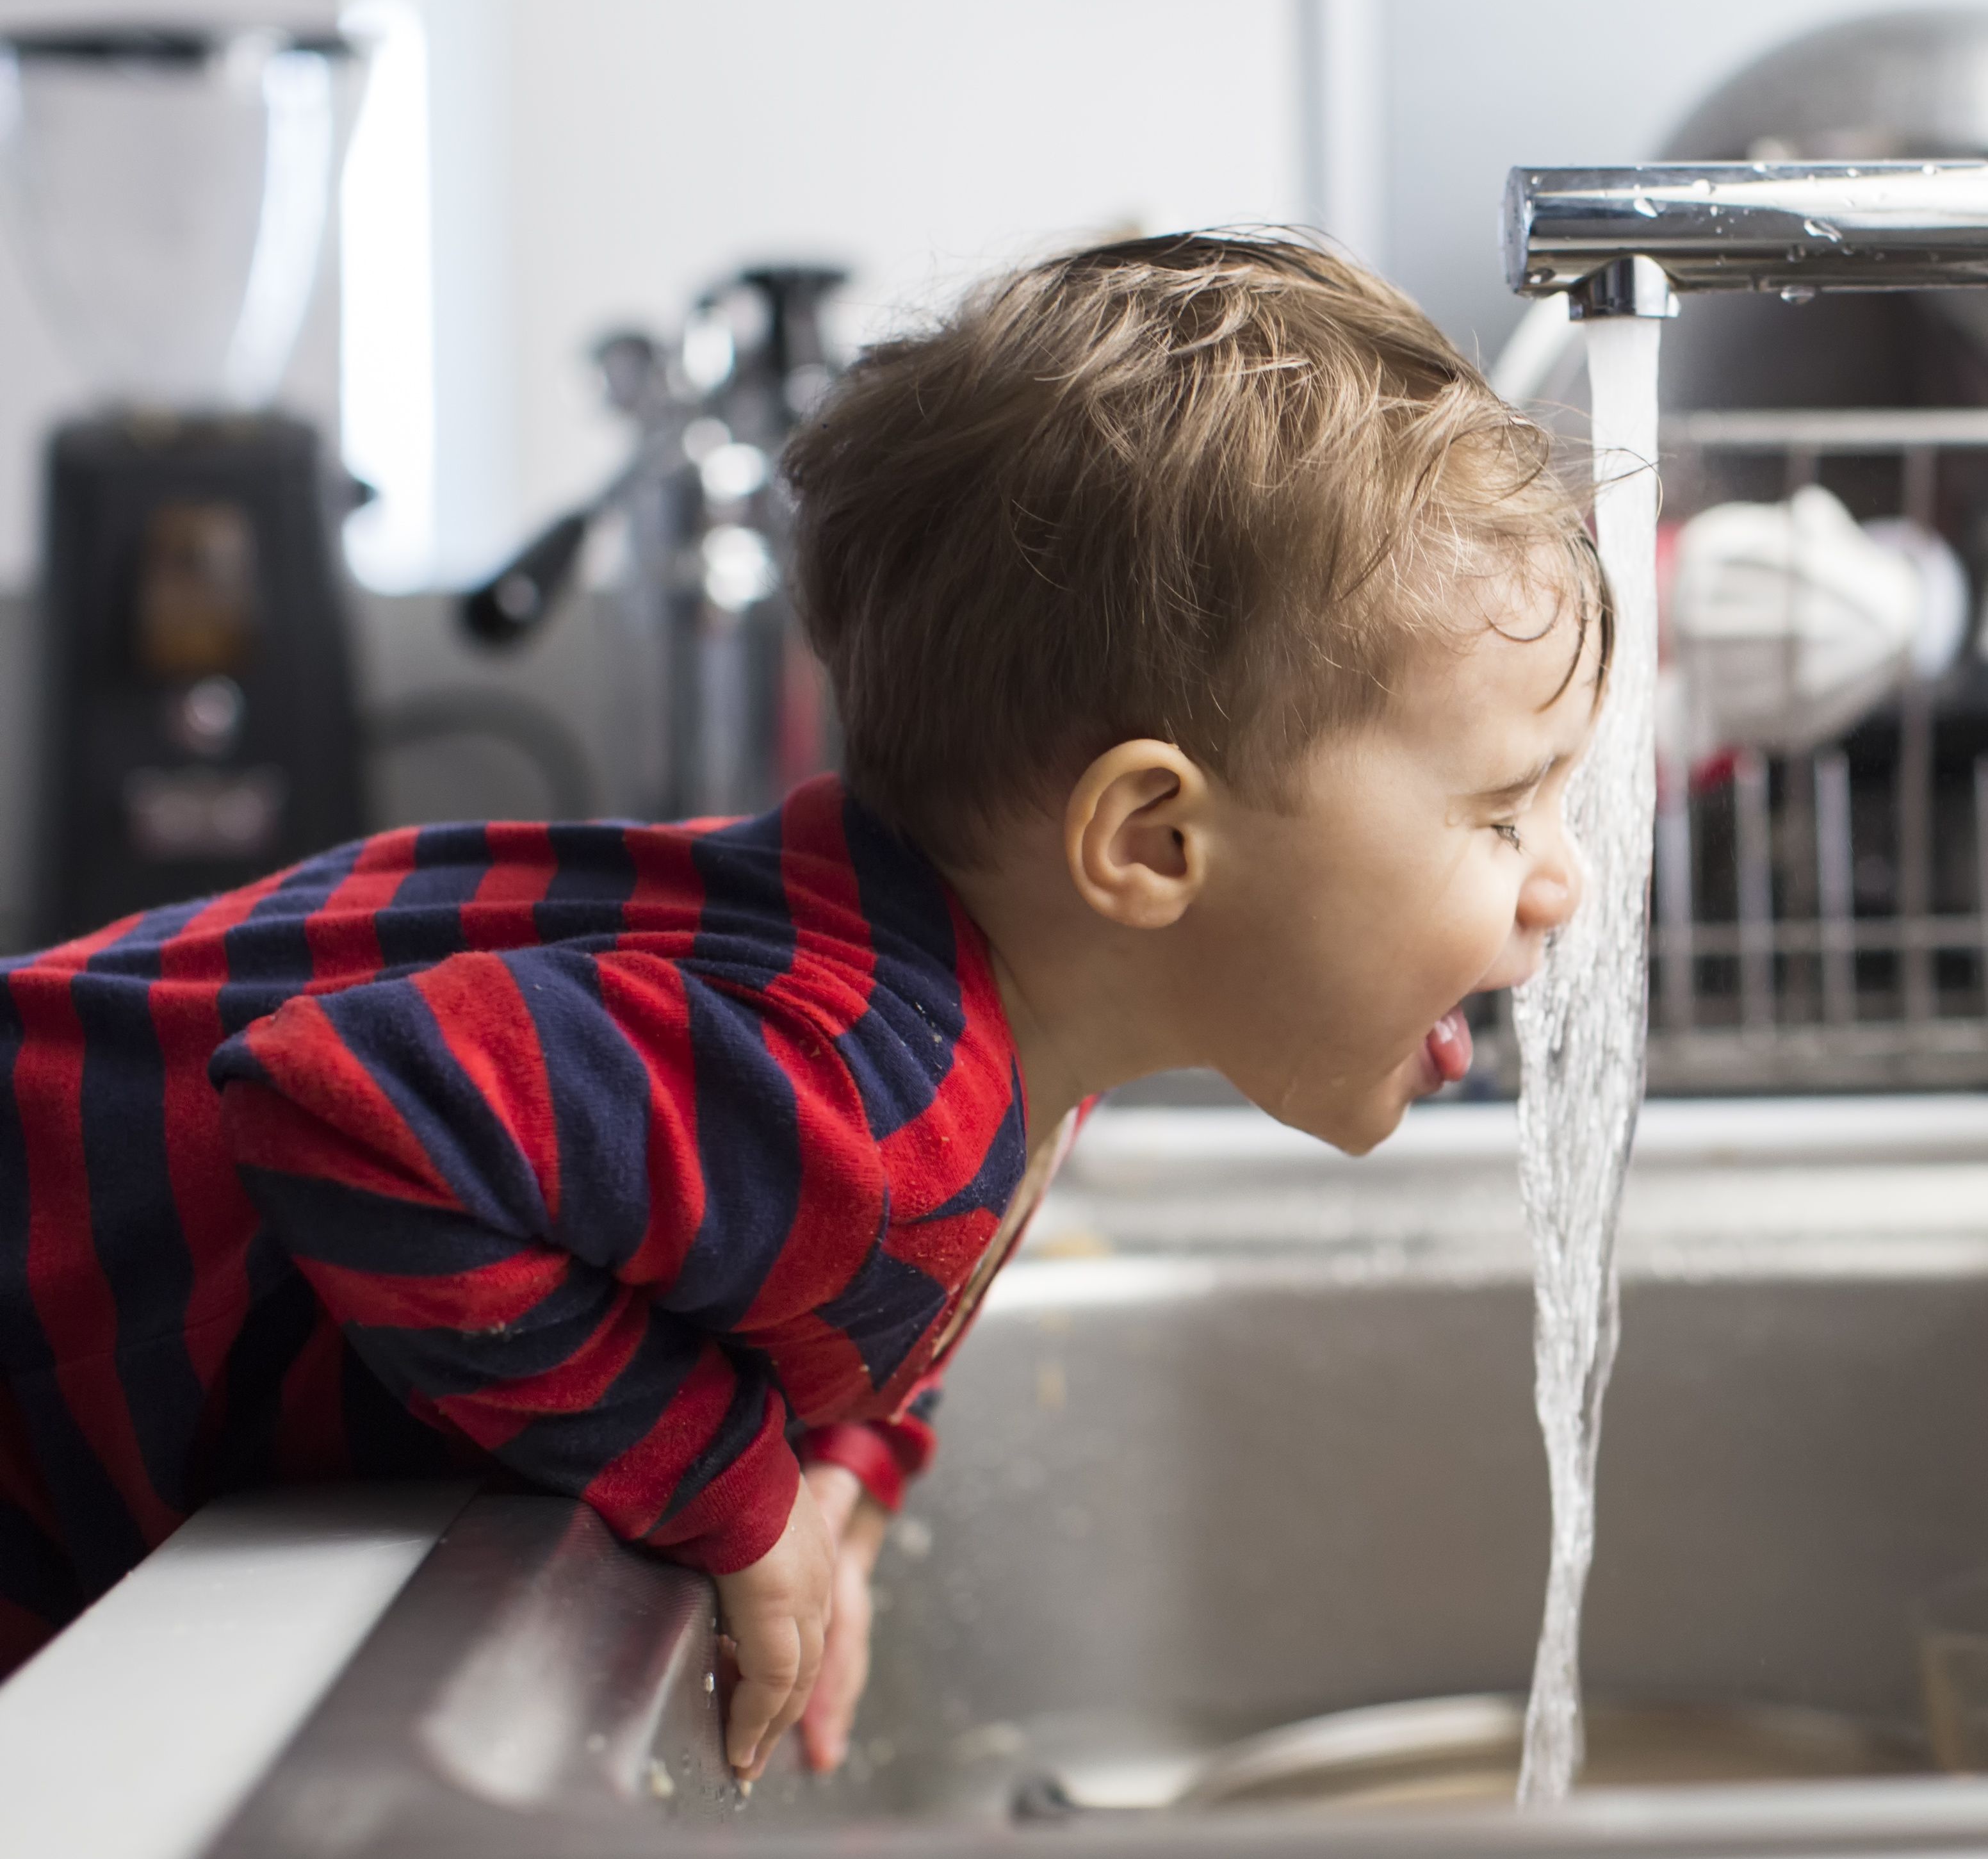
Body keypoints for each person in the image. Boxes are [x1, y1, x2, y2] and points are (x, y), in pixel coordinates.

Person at [0, 233, 1598, 1780]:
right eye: (1502, 811)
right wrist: (735, 1499)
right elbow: (347, 1097)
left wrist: (847, 1465)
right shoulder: (861, 1089)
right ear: (1152, 844)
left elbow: (814, 1267)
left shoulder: (994, 1033)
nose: (1559, 883)